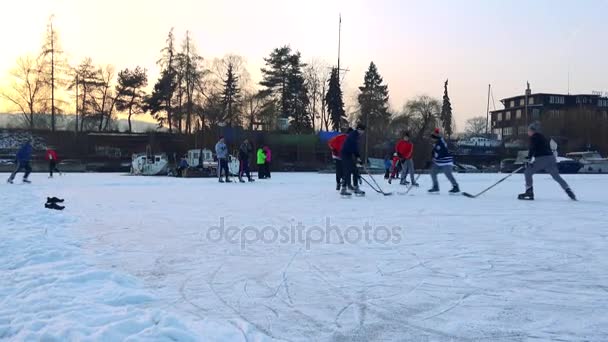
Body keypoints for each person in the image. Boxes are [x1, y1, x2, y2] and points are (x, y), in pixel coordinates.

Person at [518, 123, 576, 201]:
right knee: (556, 176)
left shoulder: (534, 137)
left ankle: (529, 192)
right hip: (551, 159)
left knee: (528, 172)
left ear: (532, 130)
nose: (528, 133)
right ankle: (568, 189)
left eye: (528, 131)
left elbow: (533, 148)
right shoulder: (543, 137)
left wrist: (529, 158)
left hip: (542, 159)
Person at [428, 128, 460, 193]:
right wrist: (432, 156)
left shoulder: (441, 143)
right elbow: (434, 152)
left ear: (435, 138)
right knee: (432, 172)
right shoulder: (436, 143)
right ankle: (435, 187)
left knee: (448, 173)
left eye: (432, 138)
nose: (431, 139)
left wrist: (434, 158)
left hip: (446, 162)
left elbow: (440, 154)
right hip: (439, 162)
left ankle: (455, 186)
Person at [340, 124, 366, 196]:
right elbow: (354, 147)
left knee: (355, 170)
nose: (363, 132)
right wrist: (358, 157)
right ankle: (343, 189)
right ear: (359, 129)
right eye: (362, 130)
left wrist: (358, 157)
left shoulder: (356, 135)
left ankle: (356, 187)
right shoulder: (353, 135)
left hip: (349, 154)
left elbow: (355, 148)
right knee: (347, 170)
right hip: (345, 154)